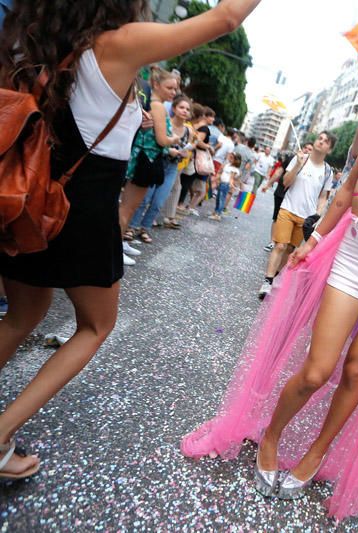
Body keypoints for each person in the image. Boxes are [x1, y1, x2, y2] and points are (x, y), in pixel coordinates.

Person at [181, 46, 358, 520]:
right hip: (353, 253)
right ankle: (271, 437)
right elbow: (349, 189)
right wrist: (314, 239)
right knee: (318, 370)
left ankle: (316, 453)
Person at [0, 0, 261, 480]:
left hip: (26, 202)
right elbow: (226, 17)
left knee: (22, 313)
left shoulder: (28, 39)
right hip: (83, 211)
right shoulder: (115, 46)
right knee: (94, 327)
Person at [257, 133, 335, 298]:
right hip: (287, 209)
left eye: (326, 141)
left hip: (306, 217)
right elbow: (286, 182)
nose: (321, 142)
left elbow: (323, 197)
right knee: (280, 246)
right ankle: (268, 281)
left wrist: (318, 215)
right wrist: (297, 166)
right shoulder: (300, 159)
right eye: (320, 138)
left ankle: (276, 276)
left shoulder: (328, 171)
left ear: (330, 149)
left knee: (291, 249)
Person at [120, 67, 181, 244]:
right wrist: (174, 138)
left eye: (175, 89)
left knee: (128, 207)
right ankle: (116, 249)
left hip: (143, 159)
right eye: (169, 88)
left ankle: (120, 246)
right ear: (156, 84)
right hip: (146, 160)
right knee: (128, 208)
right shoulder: (157, 106)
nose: (173, 92)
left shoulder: (152, 104)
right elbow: (162, 140)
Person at [128, 94, 192, 240]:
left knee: (158, 202)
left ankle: (145, 228)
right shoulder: (165, 122)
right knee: (144, 198)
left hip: (172, 167)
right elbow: (157, 141)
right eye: (181, 107)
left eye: (187, 109)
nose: (184, 111)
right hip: (157, 162)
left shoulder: (188, 131)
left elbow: (185, 148)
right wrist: (170, 150)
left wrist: (183, 153)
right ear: (174, 108)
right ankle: (132, 227)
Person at [262, 144, 313, 253]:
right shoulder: (291, 158)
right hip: (281, 192)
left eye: (310, 150)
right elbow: (279, 172)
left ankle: (283, 245)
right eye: (306, 148)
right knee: (276, 217)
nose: (307, 151)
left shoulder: (312, 167)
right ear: (302, 148)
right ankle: (272, 242)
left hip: (295, 198)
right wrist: (268, 184)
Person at [211, 152, 241, 221]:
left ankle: (218, 214)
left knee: (221, 199)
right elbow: (221, 172)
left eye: (231, 158)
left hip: (226, 184)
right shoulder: (228, 165)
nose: (230, 158)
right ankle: (216, 212)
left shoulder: (234, 169)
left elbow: (231, 178)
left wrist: (232, 185)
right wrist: (217, 179)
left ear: (236, 160)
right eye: (230, 157)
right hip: (222, 183)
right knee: (218, 198)